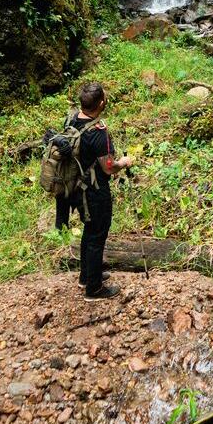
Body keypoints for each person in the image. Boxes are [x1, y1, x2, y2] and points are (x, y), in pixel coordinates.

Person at [54, 82, 133, 301]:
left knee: (89, 231)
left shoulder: (72, 119)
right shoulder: (99, 132)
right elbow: (108, 167)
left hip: (76, 190)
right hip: (94, 191)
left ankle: (86, 276)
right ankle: (94, 289)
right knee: (97, 234)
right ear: (100, 104)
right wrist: (124, 162)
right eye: (105, 98)